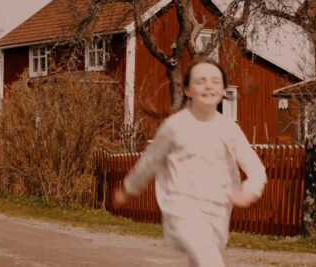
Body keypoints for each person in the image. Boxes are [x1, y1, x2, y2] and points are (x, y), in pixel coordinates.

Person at [113, 57, 267, 267]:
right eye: (200, 81)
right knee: (210, 262)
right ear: (186, 89)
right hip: (181, 207)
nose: (208, 85)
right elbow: (150, 161)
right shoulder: (174, 127)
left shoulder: (229, 129)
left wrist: (249, 191)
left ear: (223, 89)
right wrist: (128, 189)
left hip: (218, 210)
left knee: (201, 260)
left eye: (215, 81)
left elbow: (256, 168)